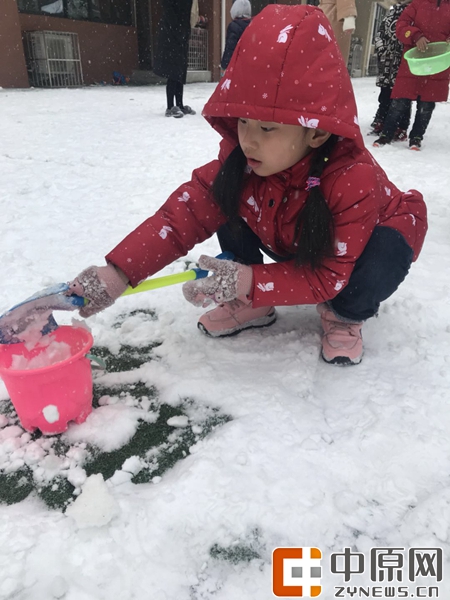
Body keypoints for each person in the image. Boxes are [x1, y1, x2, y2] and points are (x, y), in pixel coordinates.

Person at [67, 5, 427, 366]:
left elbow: (329, 274)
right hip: (292, 237)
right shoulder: (243, 162)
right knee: (223, 200)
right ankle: (254, 299)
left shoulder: (351, 179)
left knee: (384, 255)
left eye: (267, 128)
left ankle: (345, 316)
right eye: (242, 121)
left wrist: (251, 279)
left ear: (317, 131)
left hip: (363, 246)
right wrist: (117, 274)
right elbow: (182, 216)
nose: (249, 141)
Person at [373, 0, 450, 150]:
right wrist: (415, 36)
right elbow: (401, 25)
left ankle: (416, 137)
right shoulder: (417, 4)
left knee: (426, 105)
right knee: (399, 101)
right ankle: (386, 135)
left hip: (437, 62)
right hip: (414, 61)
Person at [370, 0, 412, 140]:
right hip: (387, 61)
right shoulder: (392, 12)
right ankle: (381, 120)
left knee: (402, 97)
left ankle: (401, 126)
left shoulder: (414, 13)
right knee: (385, 93)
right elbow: (380, 32)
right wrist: (381, 49)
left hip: (403, 61)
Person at [153, 0, 197, 118]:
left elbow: (185, 15)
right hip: (171, 36)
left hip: (181, 35)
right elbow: (170, 14)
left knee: (180, 72)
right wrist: (179, 32)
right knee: (173, 72)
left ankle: (179, 104)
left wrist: (185, 32)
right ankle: (170, 106)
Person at [221, 0, 252, 71]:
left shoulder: (234, 26)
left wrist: (224, 64)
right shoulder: (251, 25)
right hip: (248, 64)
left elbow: (230, 47)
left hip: (236, 65)